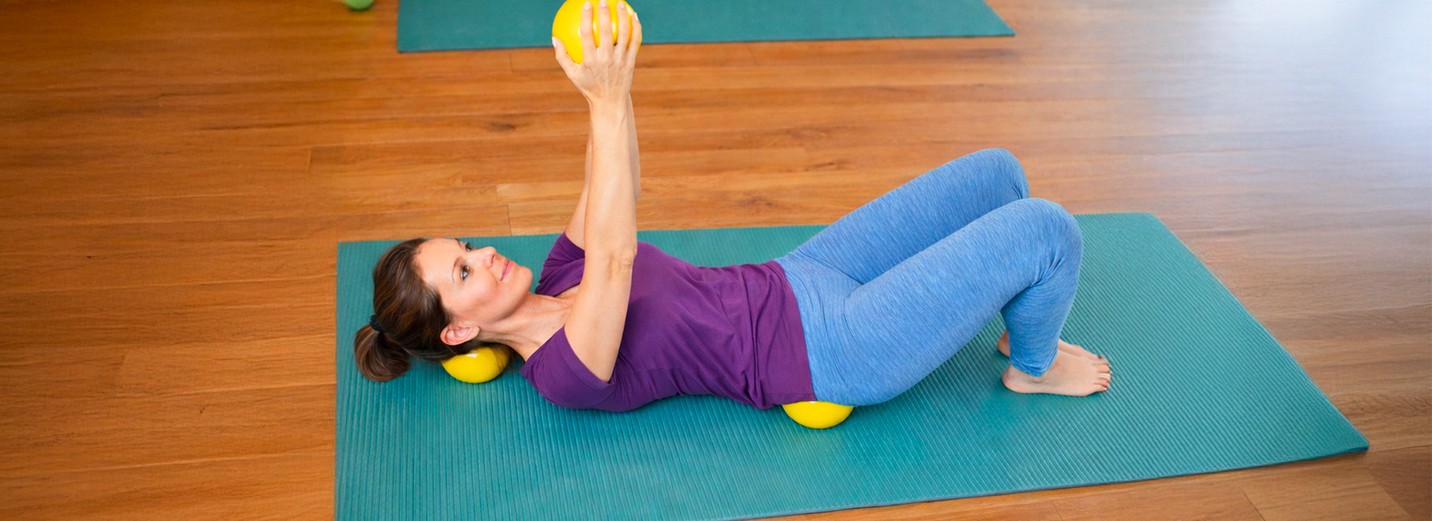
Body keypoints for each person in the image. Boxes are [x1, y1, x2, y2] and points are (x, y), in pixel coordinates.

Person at [353, 0, 1112, 410]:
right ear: (460, 329)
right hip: (836, 350)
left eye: (466, 246)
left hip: (800, 275)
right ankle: (1033, 366)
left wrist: (609, 82)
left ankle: (1017, 326)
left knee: (998, 175)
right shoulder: (563, 372)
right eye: (464, 270)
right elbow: (616, 256)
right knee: (1047, 231)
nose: (485, 253)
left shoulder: (557, 272)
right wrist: (606, 101)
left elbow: (615, 184)